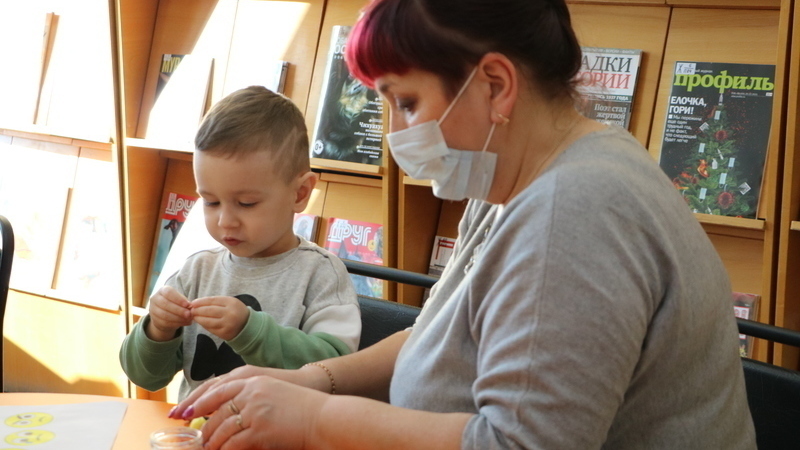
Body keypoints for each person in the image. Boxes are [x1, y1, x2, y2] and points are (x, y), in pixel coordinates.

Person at [172, 0, 757, 448]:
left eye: (407, 103)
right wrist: (314, 380)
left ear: (495, 86)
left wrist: (316, 419)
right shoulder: (508, 177)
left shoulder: (576, 208)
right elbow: (436, 335)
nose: (395, 134)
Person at [119, 86, 361, 400]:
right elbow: (146, 377)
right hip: (197, 426)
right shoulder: (197, 271)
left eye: (246, 203)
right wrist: (157, 330)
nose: (225, 221)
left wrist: (250, 331)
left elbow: (336, 371)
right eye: (210, 202)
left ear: (300, 193)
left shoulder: (321, 274)